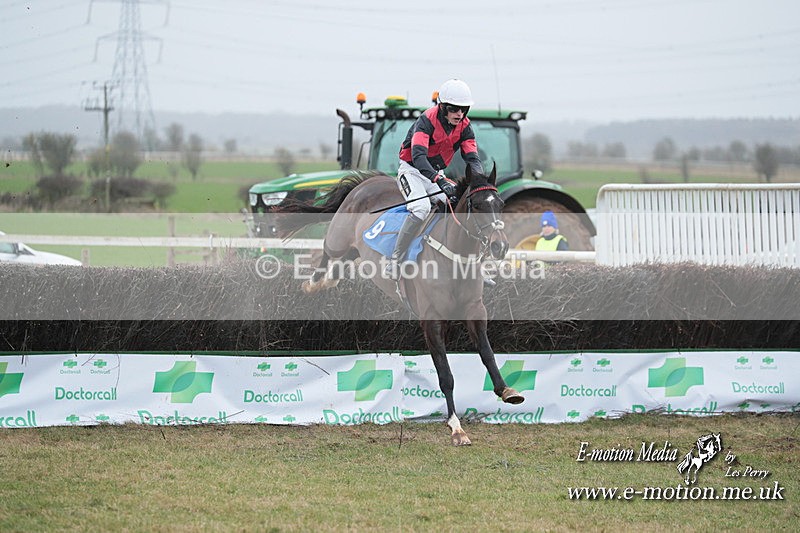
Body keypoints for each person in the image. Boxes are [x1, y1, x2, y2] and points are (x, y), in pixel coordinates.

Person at [385, 79, 485, 278]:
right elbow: (418, 157)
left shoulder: (465, 126)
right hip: (413, 171)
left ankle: (474, 264)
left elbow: (472, 157)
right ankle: (395, 259)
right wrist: (439, 181)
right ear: (443, 107)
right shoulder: (426, 120)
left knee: (458, 205)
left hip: (437, 173)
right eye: (455, 109)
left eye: (464, 109)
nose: (460, 114)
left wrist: (479, 179)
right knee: (421, 208)